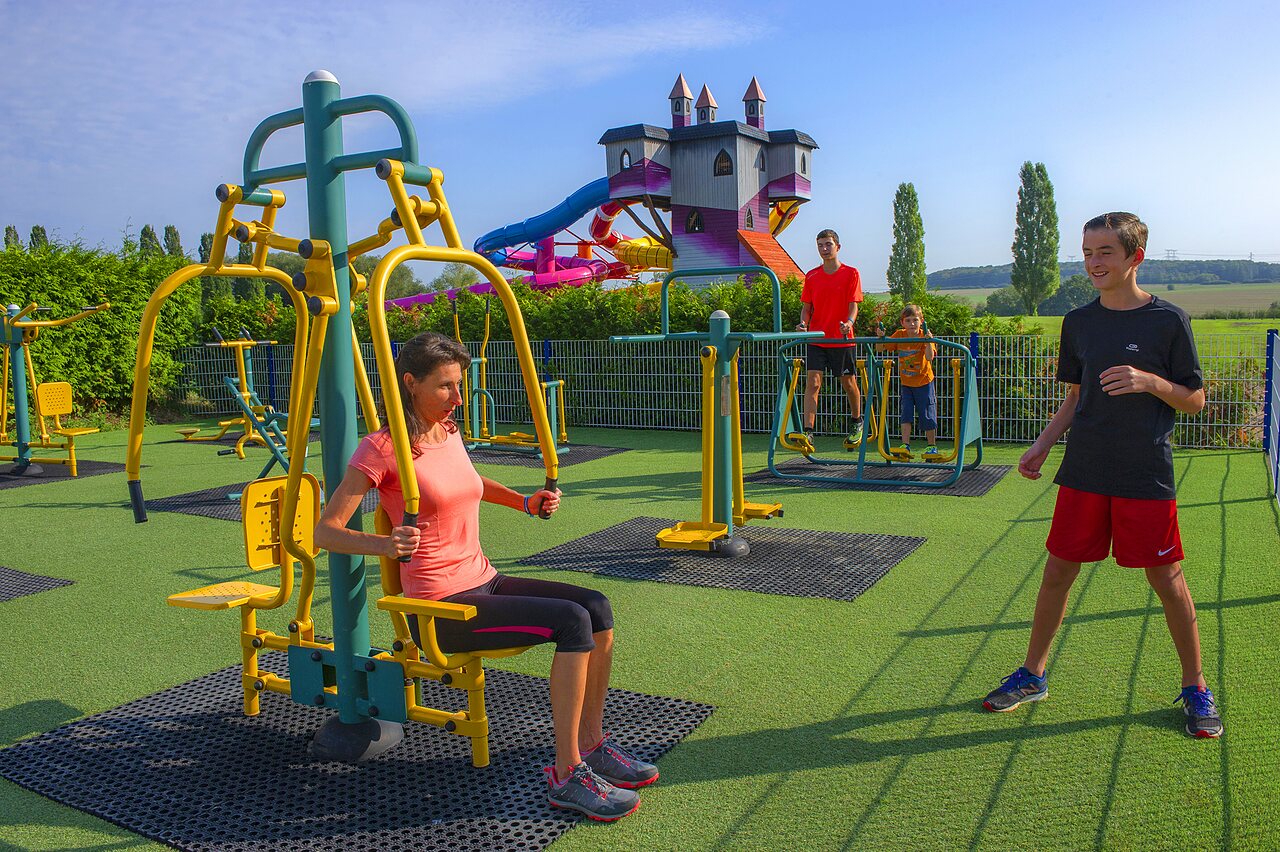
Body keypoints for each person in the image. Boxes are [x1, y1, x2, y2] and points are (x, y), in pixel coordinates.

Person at [315, 332, 657, 820]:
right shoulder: (383, 448)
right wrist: (383, 544)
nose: (458, 398)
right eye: (446, 387)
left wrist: (522, 501)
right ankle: (566, 774)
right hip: (441, 608)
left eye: (460, 386)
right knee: (571, 622)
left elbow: (471, 485)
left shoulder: (448, 433)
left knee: (596, 606)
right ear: (410, 383)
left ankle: (591, 741)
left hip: (483, 579)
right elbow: (326, 532)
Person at [981, 212, 1222, 739]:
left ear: (1134, 257)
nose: (1093, 262)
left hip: (1144, 473)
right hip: (1084, 470)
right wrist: (1042, 446)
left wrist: (1150, 381)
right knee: (1057, 573)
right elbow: (1075, 396)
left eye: (1105, 252)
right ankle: (1033, 674)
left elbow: (1196, 401)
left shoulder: (1169, 321)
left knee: (1167, 579)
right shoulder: (1079, 322)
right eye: (1088, 252)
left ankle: (1196, 686)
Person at [797, 229, 865, 446]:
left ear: (838, 247)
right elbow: (806, 308)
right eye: (820, 245)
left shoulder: (851, 273)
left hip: (841, 338)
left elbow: (853, 305)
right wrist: (804, 324)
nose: (824, 249)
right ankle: (808, 431)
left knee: (848, 381)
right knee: (813, 383)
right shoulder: (812, 276)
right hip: (817, 338)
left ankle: (857, 421)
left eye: (828, 245)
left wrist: (849, 324)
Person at [874, 304, 937, 456]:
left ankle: (931, 446)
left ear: (921, 321)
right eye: (908, 320)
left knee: (927, 413)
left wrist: (928, 341)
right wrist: (880, 337)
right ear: (903, 323)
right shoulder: (899, 335)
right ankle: (905, 445)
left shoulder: (924, 336)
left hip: (924, 382)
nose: (912, 324)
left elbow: (929, 357)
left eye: (915, 320)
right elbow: (880, 349)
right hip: (906, 384)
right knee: (906, 413)